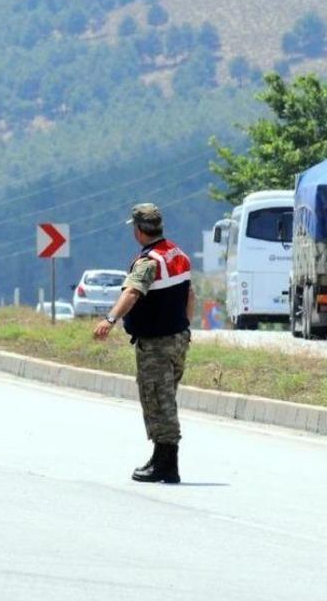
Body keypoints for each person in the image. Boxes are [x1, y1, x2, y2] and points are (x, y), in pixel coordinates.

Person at [93, 203, 195, 484]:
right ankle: (159, 456)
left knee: (157, 401)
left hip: (157, 344)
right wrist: (184, 329)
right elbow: (190, 296)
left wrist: (110, 319)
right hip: (178, 340)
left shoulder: (148, 262)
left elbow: (132, 294)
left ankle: (167, 464)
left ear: (138, 230)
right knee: (165, 398)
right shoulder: (178, 255)